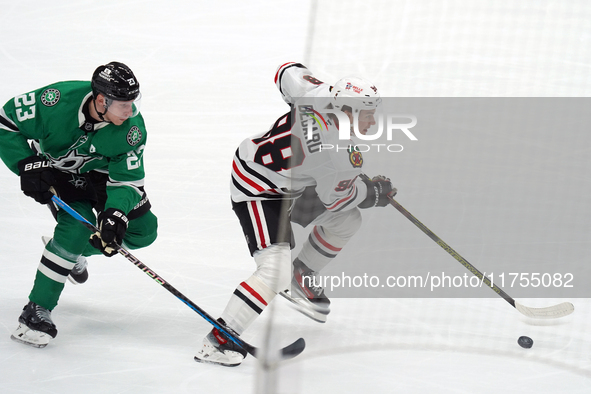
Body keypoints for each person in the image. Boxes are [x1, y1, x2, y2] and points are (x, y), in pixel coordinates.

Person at [194, 62, 396, 367]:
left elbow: (286, 71)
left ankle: (302, 275)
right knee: (275, 271)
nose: (372, 121)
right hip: (259, 189)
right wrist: (371, 194)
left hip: (290, 184)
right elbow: (337, 199)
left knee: (347, 223)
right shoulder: (339, 154)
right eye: (366, 114)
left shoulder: (315, 93)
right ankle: (219, 340)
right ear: (346, 111)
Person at [0, 61, 158, 348]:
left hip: (103, 174)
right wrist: (24, 164)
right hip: (60, 172)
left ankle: (69, 253)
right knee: (75, 226)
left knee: (143, 231)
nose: (130, 110)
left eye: (133, 102)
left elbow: (128, 180)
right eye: (122, 104)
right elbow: (4, 122)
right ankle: (36, 311)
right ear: (101, 100)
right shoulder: (55, 100)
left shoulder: (132, 128)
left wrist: (114, 214)